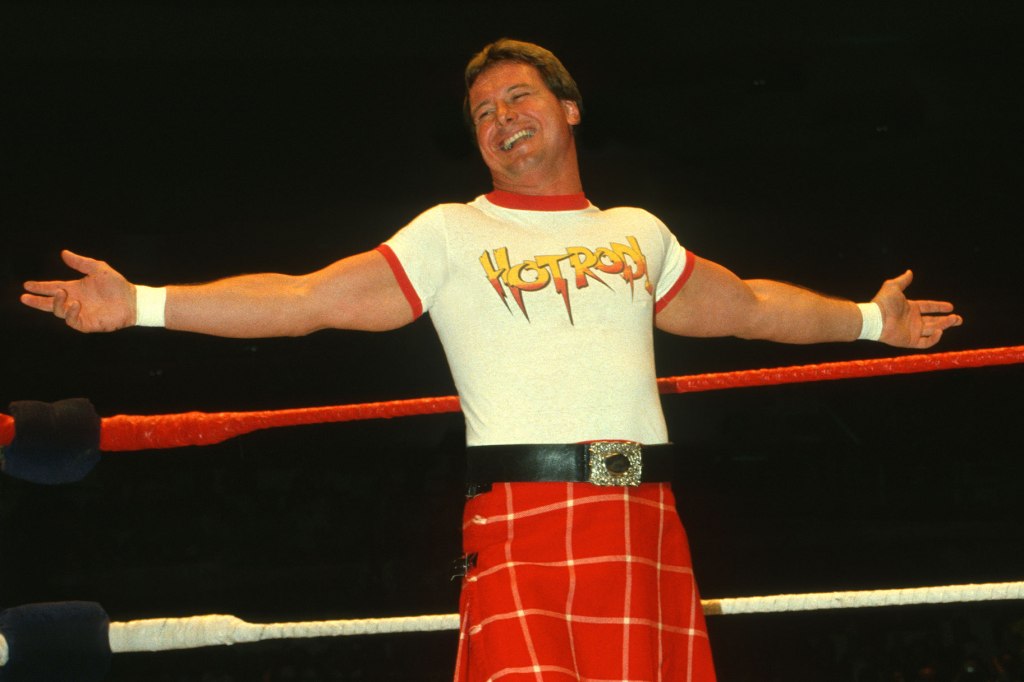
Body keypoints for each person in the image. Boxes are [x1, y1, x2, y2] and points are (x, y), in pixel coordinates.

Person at [20, 39, 961, 681]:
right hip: (521, 518)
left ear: (569, 108)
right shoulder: (450, 233)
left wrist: (869, 324)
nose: (501, 118)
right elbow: (307, 299)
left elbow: (750, 306)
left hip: (643, 514)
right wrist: (142, 304)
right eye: (481, 113)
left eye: (518, 97)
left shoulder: (638, 233)